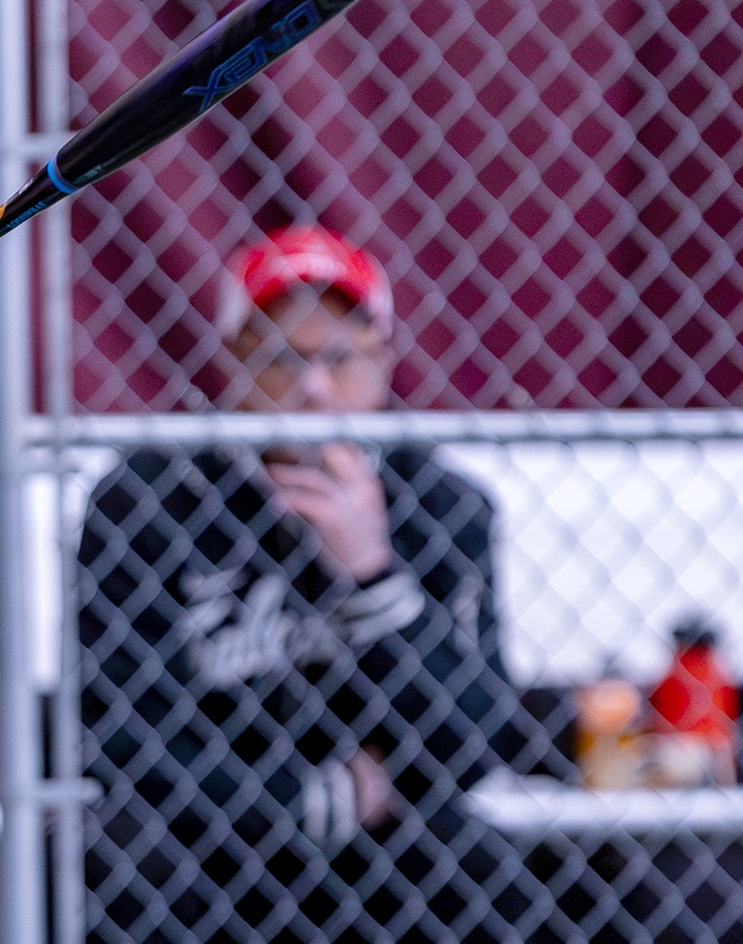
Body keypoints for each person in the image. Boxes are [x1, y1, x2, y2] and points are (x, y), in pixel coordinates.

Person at [78, 225, 571, 944]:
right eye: (282, 358)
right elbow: (121, 733)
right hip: (209, 832)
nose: (313, 386)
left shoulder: (438, 503)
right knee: (125, 856)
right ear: (233, 363)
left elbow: (471, 742)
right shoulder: (150, 498)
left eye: (338, 357)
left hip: (387, 835)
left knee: (485, 870)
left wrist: (370, 573)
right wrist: (305, 801)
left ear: (384, 360)